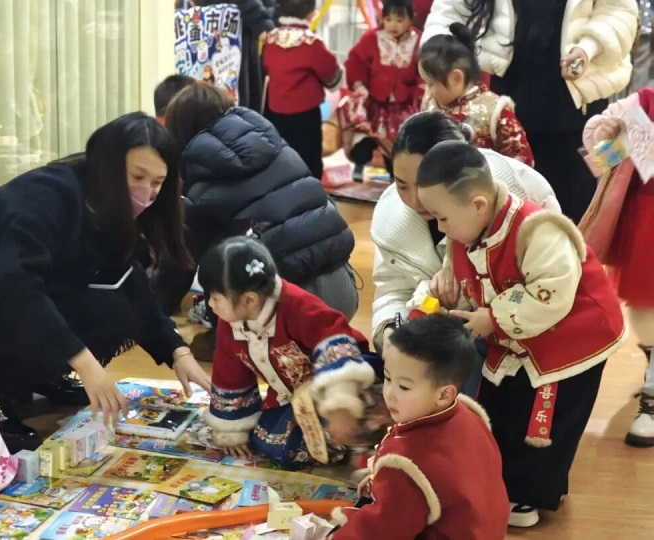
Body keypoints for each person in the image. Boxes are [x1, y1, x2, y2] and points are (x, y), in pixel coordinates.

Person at [0, 112, 211, 453]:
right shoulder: (49, 193)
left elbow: (132, 284)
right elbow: (16, 285)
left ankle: (43, 375)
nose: (147, 192)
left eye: (158, 182)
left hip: (8, 292)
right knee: (28, 310)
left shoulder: (112, 206)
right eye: (137, 176)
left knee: (114, 309)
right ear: (106, 167)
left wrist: (177, 351)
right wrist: (84, 363)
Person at [416, 140, 626, 527]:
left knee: (544, 419)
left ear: (477, 204)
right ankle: (505, 482)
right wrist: (444, 290)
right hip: (517, 334)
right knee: (501, 405)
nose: (440, 229)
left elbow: (550, 295)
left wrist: (492, 317)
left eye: (442, 219)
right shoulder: (467, 228)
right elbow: (468, 273)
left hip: (573, 338)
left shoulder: (538, 230)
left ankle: (527, 496)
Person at [157, 82, 358, 358]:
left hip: (291, 315)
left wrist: (152, 310)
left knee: (218, 255)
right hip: (344, 295)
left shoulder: (202, 188)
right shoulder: (279, 148)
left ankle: (230, 339)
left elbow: (179, 262)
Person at [422, 0, 639, 223]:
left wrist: (587, 48)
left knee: (583, 207)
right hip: (507, 105)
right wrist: (437, 58)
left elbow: (619, 10)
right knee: (510, 211)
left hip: (583, 101)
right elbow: (448, 10)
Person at [372, 111, 558, 356]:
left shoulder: (525, 197)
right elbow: (393, 290)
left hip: (531, 342)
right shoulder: (391, 220)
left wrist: (487, 310)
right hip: (441, 349)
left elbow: (552, 283)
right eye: (402, 185)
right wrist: (390, 332)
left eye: (423, 184)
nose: (415, 201)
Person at [330, 315, 509, 539]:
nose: (389, 394)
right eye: (387, 378)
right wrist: (384, 482)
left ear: (444, 394)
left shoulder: (407, 462)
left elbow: (380, 531)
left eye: (404, 387)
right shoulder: (467, 415)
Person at [200, 237, 375, 464]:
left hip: (339, 380)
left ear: (250, 300)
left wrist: (341, 404)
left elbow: (333, 340)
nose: (210, 304)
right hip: (294, 395)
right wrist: (231, 429)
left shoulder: (298, 305)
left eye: (215, 298)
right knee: (268, 442)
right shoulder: (230, 324)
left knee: (355, 418)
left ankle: (357, 441)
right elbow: (230, 375)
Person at [582, 87, 654, 447]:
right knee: (647, 313)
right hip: (646, 223)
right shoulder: (643, 103)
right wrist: (605, 134)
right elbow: (600, 145)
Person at [419, 23, 532, 165]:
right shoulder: (430, 103)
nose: (427, 90)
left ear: (456, 78)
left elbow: (521, 161)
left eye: (431, 84)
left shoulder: (495, 111)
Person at [262, 0, 343, 179]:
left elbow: (266, 66)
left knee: (280, 158)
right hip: (305, 114)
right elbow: (332, 74)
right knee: (308, 160)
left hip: (275, 112)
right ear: (311, 14)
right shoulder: (312, 43)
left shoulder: (270, 39)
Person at [344, 0, 423, 181]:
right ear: (382, 18)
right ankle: (359, 163)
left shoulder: (419, 41)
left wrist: (420, 90)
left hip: (405, 104)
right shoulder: (372, 38)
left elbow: (425, 70)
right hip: (375, 101)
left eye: (400, 20)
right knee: (366, 138)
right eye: (388, 19)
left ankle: (396, 178)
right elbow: (356, 62)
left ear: (411, 19)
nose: (393, 25)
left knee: (398, 144)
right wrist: (359, 86)